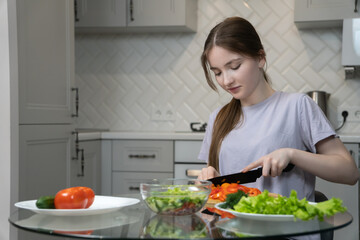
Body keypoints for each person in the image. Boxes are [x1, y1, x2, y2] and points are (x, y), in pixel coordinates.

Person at [197, 16, 359, 202]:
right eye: (217, 72)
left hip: (287, 229)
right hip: (231, 229)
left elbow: (350, 173)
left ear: (260, 58)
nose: (226, 81)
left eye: (234, 66)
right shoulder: (218, 117)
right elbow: (215, 192)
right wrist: (211, 179)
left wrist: (292, 155)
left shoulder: (297, 106)